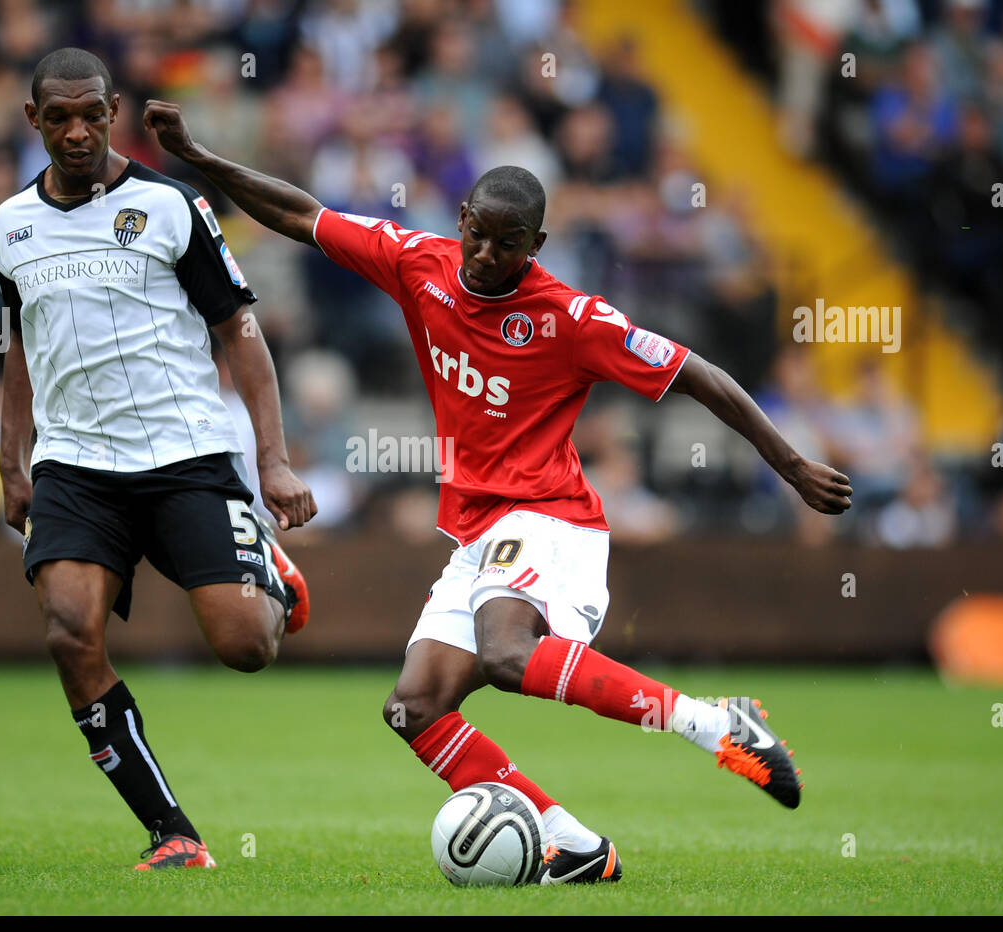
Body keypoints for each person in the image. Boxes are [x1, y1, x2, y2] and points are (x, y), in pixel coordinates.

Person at [146, 102, 854, 884]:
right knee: (413, 708)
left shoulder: (572, 318)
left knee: (508, 654)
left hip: (553, 519)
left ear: (537, 246)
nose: (483, 254)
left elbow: (700, 375)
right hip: (476, 530)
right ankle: (573, 843)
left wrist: (790, 466)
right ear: (461, 219)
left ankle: (717, 725)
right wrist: (202, 158)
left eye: (506, 243)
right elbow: (302, 214)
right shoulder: (421, 261)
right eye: (476, 233)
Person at [0, 49, 316, 871]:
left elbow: (238, 328)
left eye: (90, 114)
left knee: (246, 645)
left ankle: (266, 571)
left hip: (185, 454)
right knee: (69, 634)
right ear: (34, 120)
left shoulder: (172, 205)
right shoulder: (9, 227)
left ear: (113, 112)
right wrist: (10, 461)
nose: (75, 130)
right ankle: (172, 832)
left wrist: (272, 460)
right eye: (57, 116)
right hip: (74, 465)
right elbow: (20, 344)